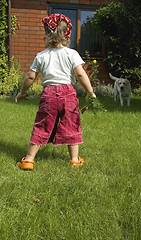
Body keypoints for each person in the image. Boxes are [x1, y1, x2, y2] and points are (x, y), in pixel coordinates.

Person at [15, 13, 96, 170]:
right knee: (72, 124)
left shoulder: (41, 55)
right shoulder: (71, 53)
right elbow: (80, 74)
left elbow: (30, 77)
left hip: (49, 95)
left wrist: (22, 93)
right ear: (67, 34)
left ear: (46, 34)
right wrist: (90, 92)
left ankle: (29, 160)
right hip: (69, 94)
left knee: (42, 124)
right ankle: (74, 160)